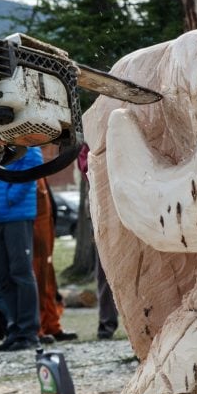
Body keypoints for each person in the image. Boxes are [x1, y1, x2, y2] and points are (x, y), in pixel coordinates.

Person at [0, 146, 43, 351]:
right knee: (2, 275)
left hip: (16, 214)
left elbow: (33, 164)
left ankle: (29, 331)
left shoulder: (23, 135)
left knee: (21, 272)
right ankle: (15, 328)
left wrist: (11, 197)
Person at [77, 142, 119, 339]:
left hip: (125, 206)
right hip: (101, 212)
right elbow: (86, 167)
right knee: (104, 271)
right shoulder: (89, 142)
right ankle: (106, 323)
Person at [33, 177, 78, 344]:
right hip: (34, 219)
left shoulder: (36, 163)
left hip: (44, 218)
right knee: (38, 276)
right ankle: (40, 326)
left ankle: (51, 324)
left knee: (46, 276)